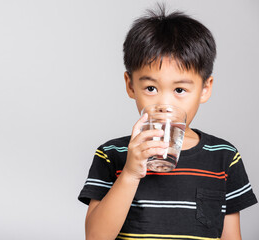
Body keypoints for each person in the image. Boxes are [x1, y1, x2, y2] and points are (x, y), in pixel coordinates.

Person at [78, 5, 257, 240]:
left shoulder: (224, 156)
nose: (164, 103)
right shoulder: (111, 154)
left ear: (205, 89)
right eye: (151, 88)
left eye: (180, 89)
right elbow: (96, 237)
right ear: (131, 85)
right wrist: (130, 173)